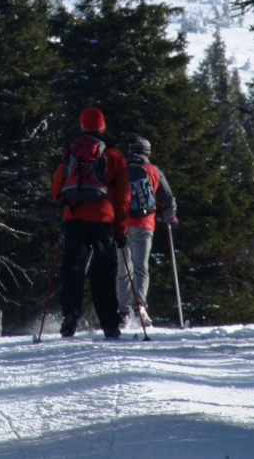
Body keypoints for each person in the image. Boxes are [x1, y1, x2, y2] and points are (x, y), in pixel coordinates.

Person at [50, 107, 130, 339]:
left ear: (82, 126)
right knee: (103, 272)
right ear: (103, 126)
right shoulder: (114, 155)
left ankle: (70, 316)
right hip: (104, 221)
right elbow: (124, 197)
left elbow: (56, 191)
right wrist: (121, 229)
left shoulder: (71, 153)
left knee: (72, 269)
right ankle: (109, 324)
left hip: (74, 219)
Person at [117, 136, 177, 330]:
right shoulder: (153, 171)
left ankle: (124, 311)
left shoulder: (120, 171)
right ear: (147, 153)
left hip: (121, 225)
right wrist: (170, 217)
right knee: (141, 267)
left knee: (123, 268)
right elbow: (167, 199)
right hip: (144, 224)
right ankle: (140, 306)